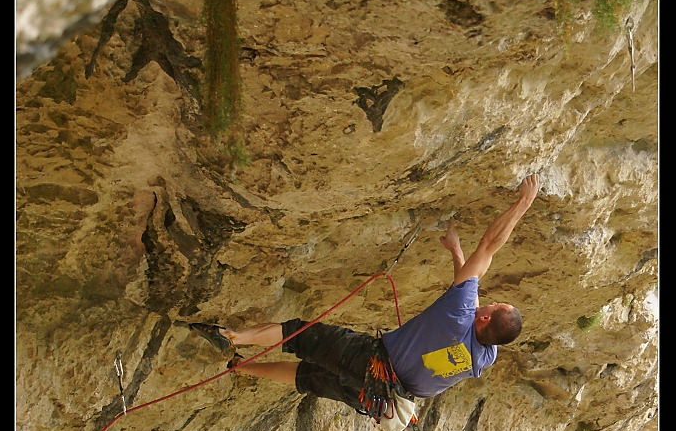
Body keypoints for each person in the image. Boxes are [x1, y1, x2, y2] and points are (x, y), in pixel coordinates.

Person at [185, 173, 540, 415]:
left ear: (485, 317)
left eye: (494, 305)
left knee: (301, 333)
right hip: (377, 399)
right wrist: (456, 253)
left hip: (369, 361)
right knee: (306, 378)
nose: (488, 300)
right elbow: (472, 302)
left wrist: (524, 203)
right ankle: (241, 368)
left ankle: (232, 336)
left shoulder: (461, 311)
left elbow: (489, 247)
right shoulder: (483, 357)